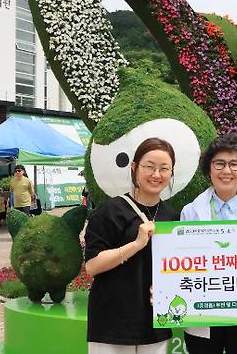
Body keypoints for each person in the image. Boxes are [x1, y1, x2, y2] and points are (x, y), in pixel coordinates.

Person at [180, 133, 237, 354]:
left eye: (234, 164)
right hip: (203, 310)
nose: (226, 171)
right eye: (219, 164)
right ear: (209, 169)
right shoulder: (191, 212)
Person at [84, 138, 179, 354]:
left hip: (155, 322)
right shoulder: (110, 211)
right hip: (112, 322)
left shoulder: (172, 217)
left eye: (164, 169)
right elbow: (92, 266)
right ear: (135, 168)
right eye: (149, 167)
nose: (156, 175)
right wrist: (136, 244)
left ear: (171, 173)